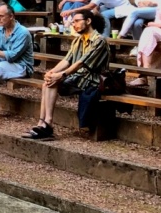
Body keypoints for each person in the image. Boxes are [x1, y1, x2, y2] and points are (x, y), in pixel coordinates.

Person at [23, 10, 109, 140]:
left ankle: (48, 124)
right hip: (79, 77)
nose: (73, 25)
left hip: (93, 80)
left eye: (76, 21)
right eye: (73, 22)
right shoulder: (78, 40)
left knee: (54, 81)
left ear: (88, 21)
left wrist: (61, 75)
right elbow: (67, 60)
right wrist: (51, 72)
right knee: (48, 81)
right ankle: (42, 123)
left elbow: (81, 63)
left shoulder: (99, 41)